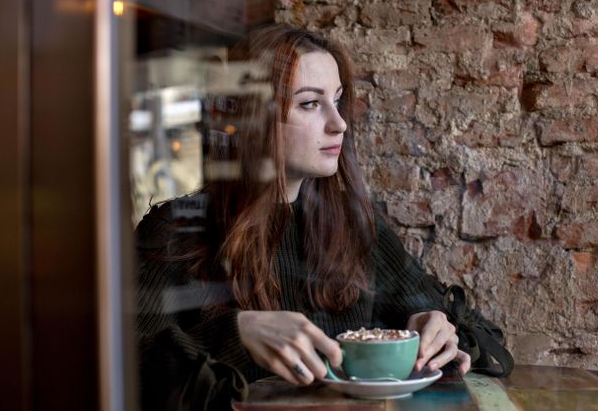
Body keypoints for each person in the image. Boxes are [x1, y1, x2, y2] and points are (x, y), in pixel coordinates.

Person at [136, 24, 512, 410]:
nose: (339, 123)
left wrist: (438, 330)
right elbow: (115, 368)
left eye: (337, 100)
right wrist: (237, 333)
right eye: (310, 104)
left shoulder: (353, 226)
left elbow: (484, 338)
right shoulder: (179, 230)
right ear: (252, 117)